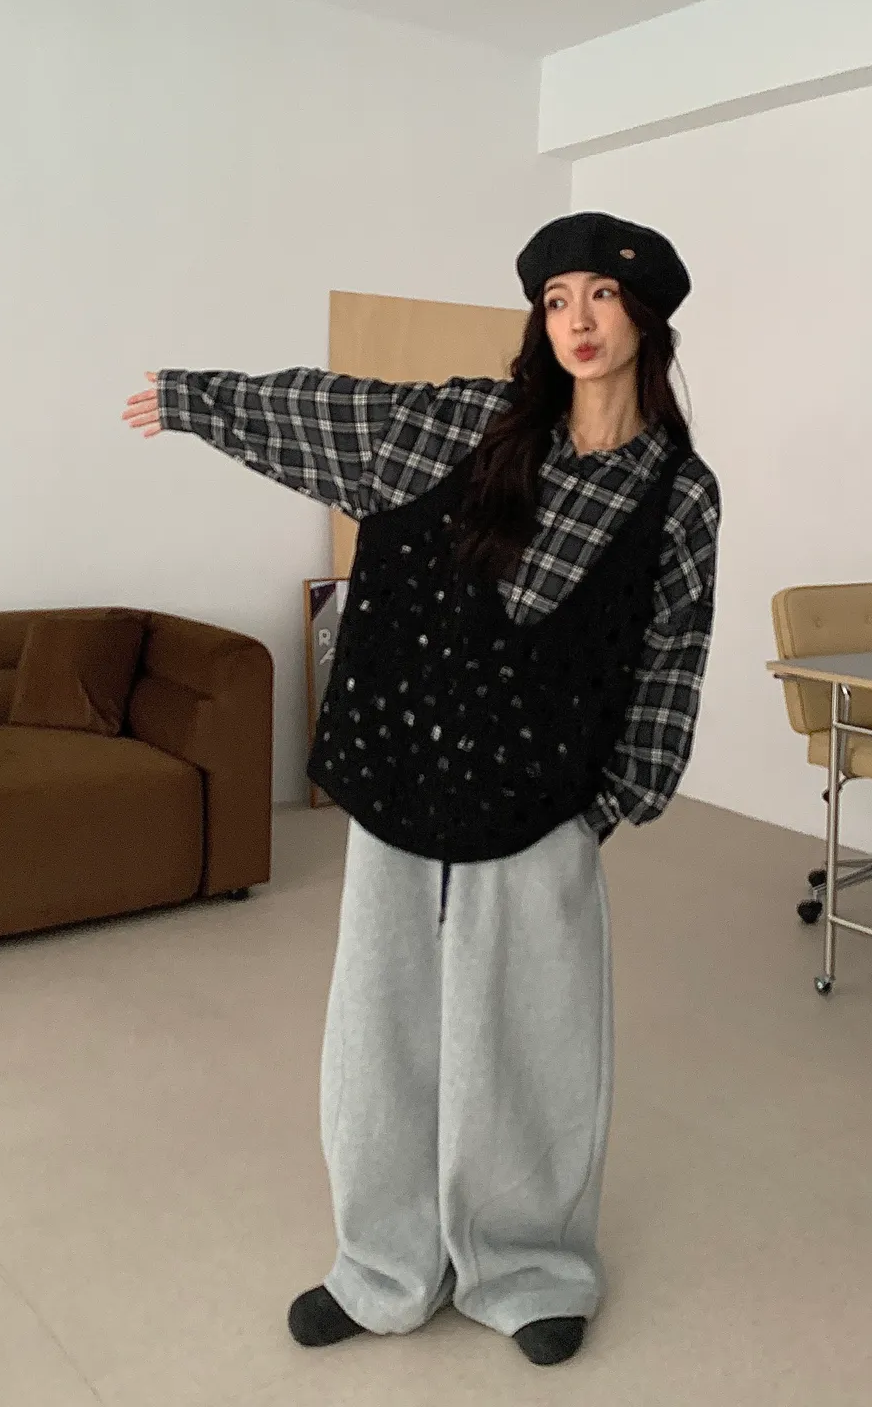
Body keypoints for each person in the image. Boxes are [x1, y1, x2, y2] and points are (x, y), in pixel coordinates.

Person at [122, 211, 721, 1367]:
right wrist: (197, 399)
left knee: (535, 1044)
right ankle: (384, 1267)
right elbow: (326, 410)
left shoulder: (678, 493)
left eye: (602, 296)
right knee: (380, 1030)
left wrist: (611, 801)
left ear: (645, 317)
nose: (579, 321)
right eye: (558, 299)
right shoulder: (463, 426)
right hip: (404, 779)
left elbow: (670, 655)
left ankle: (529, 1268)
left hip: (545, 805)